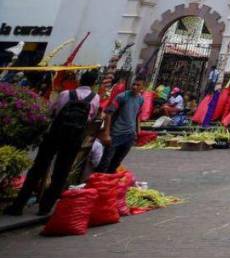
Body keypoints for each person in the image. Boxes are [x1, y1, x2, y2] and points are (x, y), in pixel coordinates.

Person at [4, 70, 101, 216]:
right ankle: (46, 207)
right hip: (74, 139)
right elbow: (92, 117)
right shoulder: (95, 98)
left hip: (55, 134)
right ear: (93, 84)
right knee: (61, 173)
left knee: (38, 169)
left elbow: (53, 111)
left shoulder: (65, 94)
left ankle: (18, 205)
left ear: (79, 81)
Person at [97, 78, 146, 173]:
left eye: (138, 85)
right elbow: (108, 113)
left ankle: (109, 181)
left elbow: (137, 115)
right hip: (116, 133)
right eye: (134, 84)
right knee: (105, 161)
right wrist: (107, 133)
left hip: (129, 135)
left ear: (142, 87)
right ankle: (99, 180)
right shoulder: (122, 97)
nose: (134, 87)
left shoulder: (140, 99)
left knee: (116, 162)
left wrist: (137, 131)